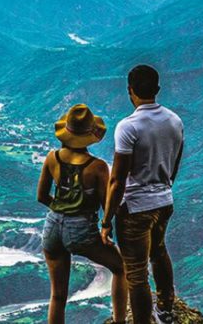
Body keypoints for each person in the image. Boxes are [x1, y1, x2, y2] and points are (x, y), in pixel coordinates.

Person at [100, 65, 185, 324]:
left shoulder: (128, 127)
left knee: (136, 273)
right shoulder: (174, 120)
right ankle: (166, 310)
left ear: (130, 91)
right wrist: (163, 189)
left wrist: (106, 220)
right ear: (157, 90)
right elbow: (174, 165)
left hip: (136, 208)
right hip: (164, 201)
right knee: (159, 253)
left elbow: (118, 179)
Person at [36, 103, 129, 324]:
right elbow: (108, 204)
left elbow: (41, 196)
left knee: (58, 295)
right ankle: (119, 321)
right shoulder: (96, 167)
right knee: (120, 267)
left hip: (52, 226)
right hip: (81, 229)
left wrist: (61, 209)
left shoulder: (52, 158)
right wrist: (106, 225)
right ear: (90, 136)